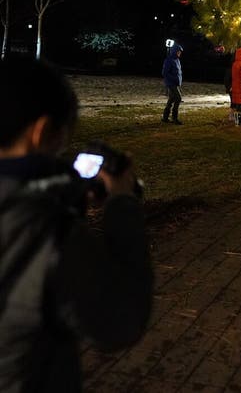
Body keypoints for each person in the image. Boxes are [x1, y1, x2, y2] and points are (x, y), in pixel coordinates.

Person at [0, 54, 153, 392]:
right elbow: (119, 322)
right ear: (41, 132)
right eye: (61, 138)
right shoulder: (43, 230)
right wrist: (123, 204)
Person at [161, 43, 183, 125]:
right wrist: (173, 80)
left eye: (180, 52)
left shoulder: (177, 60)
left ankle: (165, 117)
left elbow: (178, 72)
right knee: (178, 98)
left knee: (171, 99)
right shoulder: (169, 60)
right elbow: (164, 73)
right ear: (174, 51)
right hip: (171, 84)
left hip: (176, 83)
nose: (180, 53)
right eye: (178, 52)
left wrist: (179, 81)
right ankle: (175, 118)